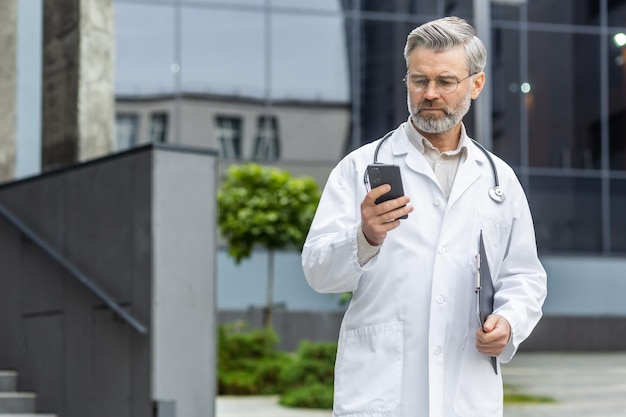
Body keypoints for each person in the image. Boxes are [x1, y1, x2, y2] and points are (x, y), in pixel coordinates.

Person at [301, 16, 547, 417]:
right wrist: (364, 237)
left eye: (445, 81)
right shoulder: (359, 167)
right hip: (382, 392)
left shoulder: (500, 179)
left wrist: (509, 321)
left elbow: (525, 276)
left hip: (467, 392)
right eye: (419, 80)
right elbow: (317, 272)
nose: (430, 94)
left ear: (476, 84)